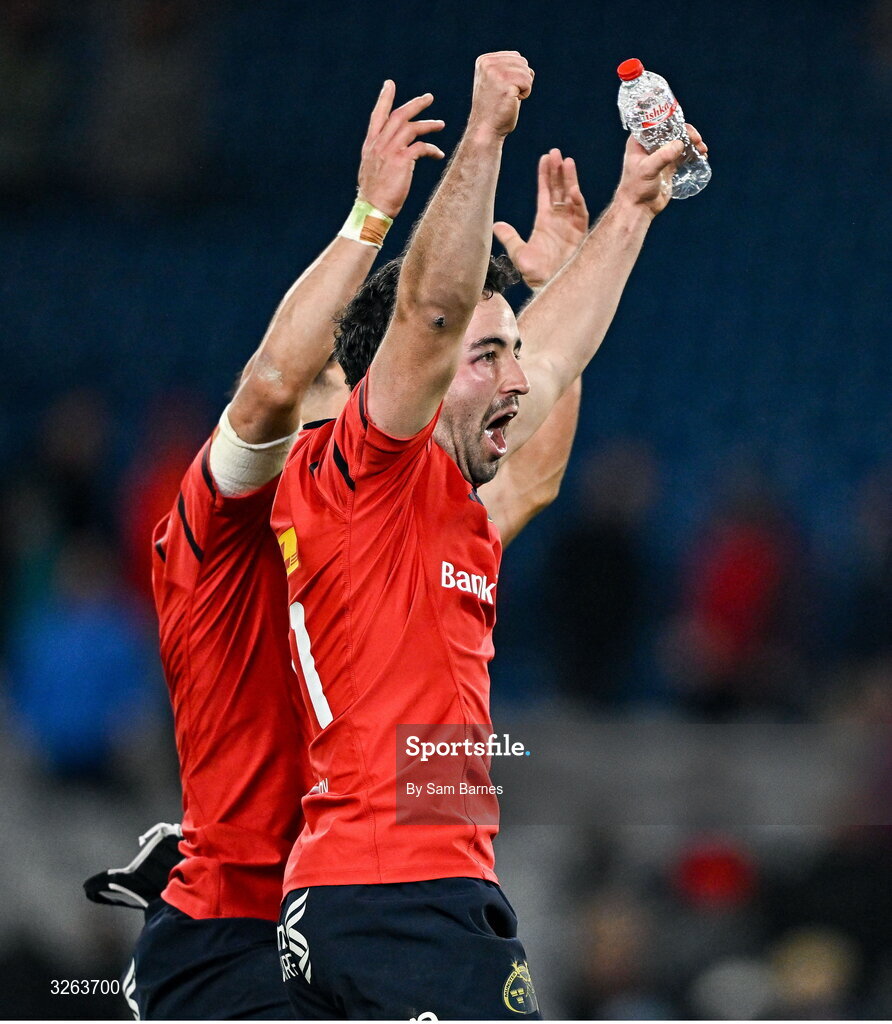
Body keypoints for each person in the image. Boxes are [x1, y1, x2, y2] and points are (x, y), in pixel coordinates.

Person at [272, 51, 707, 1020]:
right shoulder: (355, 474)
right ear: (411, 377)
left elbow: (541, 441)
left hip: (398, 893)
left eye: (510, 352)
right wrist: (483, 136)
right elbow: (429, 315)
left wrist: (629, 210)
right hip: (392, 898)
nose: (515, 376)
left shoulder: (444, 503)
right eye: (487, 356)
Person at [118, 81, 446, 1020]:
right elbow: (270, 383)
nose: (352, 420)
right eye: (332, 397)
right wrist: (372, 215)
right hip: (235, 929)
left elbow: (530, 473)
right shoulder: (218, 528)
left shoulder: (382, 535)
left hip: (357, 910)